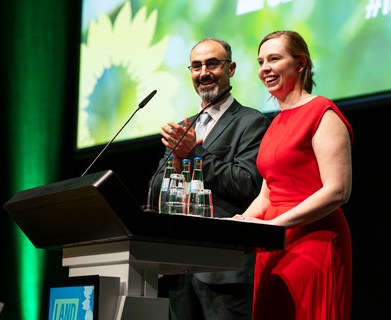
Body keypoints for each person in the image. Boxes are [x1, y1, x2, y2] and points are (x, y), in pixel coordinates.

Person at [232, 30, 353, 319]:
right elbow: (267, 193)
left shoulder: (322, 112)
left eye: (274, 59)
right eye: (261, 61)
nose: (265, 68)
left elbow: (338, 190)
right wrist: (240, 225)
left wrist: (275, 227)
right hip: (273, 245)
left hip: (312, 242)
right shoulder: (274, 123)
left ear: (300, 64)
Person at [150, 38, 271, 320]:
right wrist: (177, 162)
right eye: (196, 66)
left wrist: (194, 152)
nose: (203, 72)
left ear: (231, 69)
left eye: (212, 64)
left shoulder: (251, 122)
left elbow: (247, 185)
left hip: (224, 271)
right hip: (178, 270)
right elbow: (155, 191)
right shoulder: (184, 127)